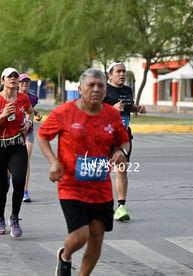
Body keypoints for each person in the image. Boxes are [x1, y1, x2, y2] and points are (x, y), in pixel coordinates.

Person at [37, 68, 130, 276]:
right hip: (71, 186)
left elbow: (123, 141)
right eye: (91, 85)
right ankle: (65, 256)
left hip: (101, 188)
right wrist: (53, 162)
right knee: (80, 236)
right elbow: (42, 136)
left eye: (100, 86)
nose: (96, 89)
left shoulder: (112, 115)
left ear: (106, 91)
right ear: (80, 89)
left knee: (97, 237)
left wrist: (120, 152)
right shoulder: (64, 112)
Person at [0, 67, 34, 238]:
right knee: (2, 187)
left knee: (19, 181)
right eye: (9, 76)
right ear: (3, 80)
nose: (13, 79)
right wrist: (2, 115)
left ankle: (14, 218)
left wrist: (28, 124)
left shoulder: (23, 99)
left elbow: (30, 112)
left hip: (17, 146)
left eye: (16, 76)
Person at [103, 61, 146, 221]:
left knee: (122, 170)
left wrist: (137, 108)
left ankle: (121, 207)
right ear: (110, 75)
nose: (122, 74)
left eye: (124, 72)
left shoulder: (128, 90)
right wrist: (111, 109)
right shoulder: (103, 90)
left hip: (123, 136)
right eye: (118, 71)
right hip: (105, 136)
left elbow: (129, 106)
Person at [18, 73, 42, 202]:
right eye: (22, 82)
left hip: (29, 131)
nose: (24, 84)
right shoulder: (13, 96)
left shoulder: (33, 98)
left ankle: (24, 190)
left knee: (25, 160)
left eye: (27, 82)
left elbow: (30, 110)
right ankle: (9, 178)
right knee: (11, 161)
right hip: (14, 132)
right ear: (17, 83)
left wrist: (37, 114)